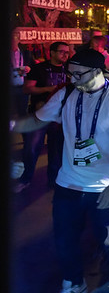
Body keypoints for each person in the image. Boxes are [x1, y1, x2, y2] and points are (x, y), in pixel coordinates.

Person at [12, 49, 109, 293]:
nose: (72, 79)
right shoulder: (66, 93)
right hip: (68, 183)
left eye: (78, 74)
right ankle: (74, 284)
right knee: (64, 238)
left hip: (105, 184)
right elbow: (37, 121)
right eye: (70, 73)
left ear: (97, 72)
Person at [17, 41, 71, 192]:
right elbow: (27, 89)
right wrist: (48, 89)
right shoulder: (39, 68)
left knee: (56, 150)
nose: (65, 55)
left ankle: (53, 182)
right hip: (39, 115)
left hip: (60, 117)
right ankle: (25, 179)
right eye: (61, 52)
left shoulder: (70, 70)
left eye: (67, 52)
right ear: (52, 53)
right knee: (31, 148)